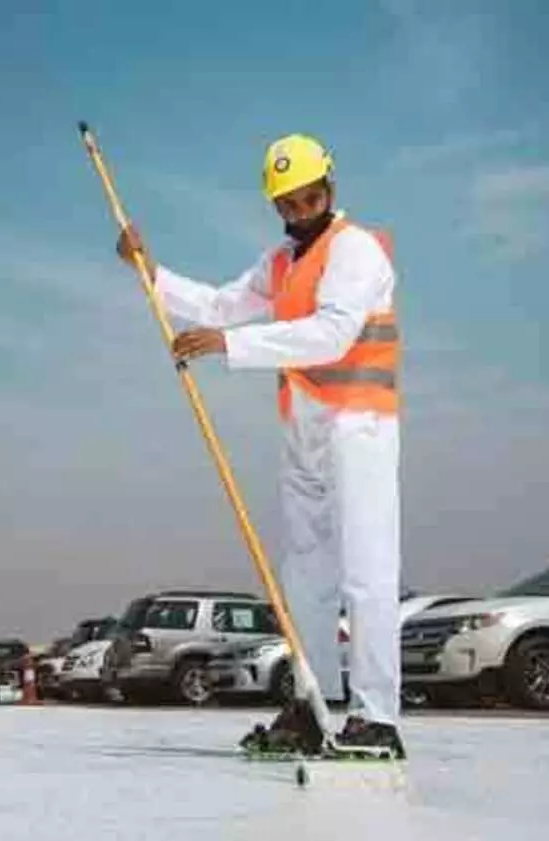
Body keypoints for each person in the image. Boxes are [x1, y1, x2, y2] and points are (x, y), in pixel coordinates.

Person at [115, 133, 405, 758]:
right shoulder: (281, 261)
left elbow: (330, 336)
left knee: (366, 574)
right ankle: (312, 702)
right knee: (304, 579)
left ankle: (377, 717)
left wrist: (230, 347)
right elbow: (222, 304)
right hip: (304, 431)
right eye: (289, 204)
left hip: (359, 427)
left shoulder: (355, 250)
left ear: (330, 186)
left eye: (311, 197)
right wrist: (150, 271)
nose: (302, 210)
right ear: (277, 207)